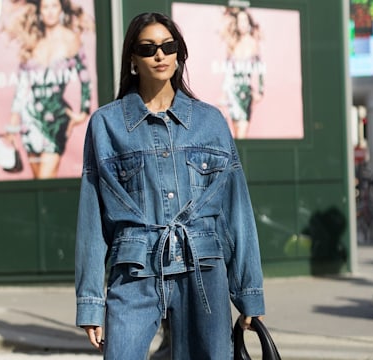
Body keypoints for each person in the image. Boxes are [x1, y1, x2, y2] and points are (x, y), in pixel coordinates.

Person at [74, 12, 265, 359]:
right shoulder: (106, 124)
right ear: (132, 59)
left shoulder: (210, 122)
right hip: (135, 272)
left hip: (203, 270)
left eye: (168, 46)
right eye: (148, 48)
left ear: (179, 55)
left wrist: (248, 292)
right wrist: (90, 302)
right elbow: (92, 218)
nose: (159, 55)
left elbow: (237, 210)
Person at [4, 0, 92, 179]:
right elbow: (22, 87)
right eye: (46, 7)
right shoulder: (32, 39)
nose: (50, 12)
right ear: (39, 11)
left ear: (61, 9)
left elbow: (85, 78)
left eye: (54, 6)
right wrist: (13, 124)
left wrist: (83, 112)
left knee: (47, 178)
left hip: (56, 117)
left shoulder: (71, 39)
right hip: (29, 118)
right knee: (38, 182)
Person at [220, 7, 265, 139]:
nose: (243, 23)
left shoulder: (254, 44)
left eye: (245, 20)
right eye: (240, 20)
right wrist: (224, 93)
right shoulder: (232, 44)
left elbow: (260, 70)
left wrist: (260, 91)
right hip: (233, 91)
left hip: (247, 92)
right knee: (236, 134)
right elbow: (227, 72)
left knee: (242, 133)